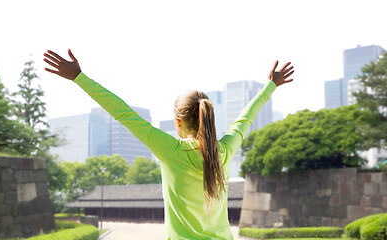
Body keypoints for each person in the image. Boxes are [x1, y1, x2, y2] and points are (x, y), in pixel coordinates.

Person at [44, 49, 294, 240]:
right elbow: (246, 118)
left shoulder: (170, 150)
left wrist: (79, 77)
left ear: (177, 122)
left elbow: (124, 114)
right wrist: (271, 85)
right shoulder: (225, 151)